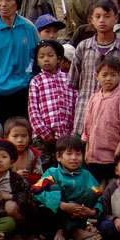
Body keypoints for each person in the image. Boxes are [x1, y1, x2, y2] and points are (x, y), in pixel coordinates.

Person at [69, 0, 120, 137]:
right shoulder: (83, 47)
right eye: (97, 16)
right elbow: (73, 83)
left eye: (107, 16)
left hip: (113, 120)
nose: (102, 20)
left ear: (116, 18)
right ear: (91, 20)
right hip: (84, 117)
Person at [32, 135, 103, 240]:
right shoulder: (52, 173)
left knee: (91, 193)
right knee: (55, 188)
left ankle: (70, 230)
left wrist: (92, 212)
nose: (74, 158)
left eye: (78, 154)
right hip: (53, 221)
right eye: (69, 154)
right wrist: (62, 205)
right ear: (58, 157)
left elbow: (99, 196)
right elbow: (37, 192)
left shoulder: (86, 175)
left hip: (78, 217)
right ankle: (68, 230)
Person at [82, 55, 120, 184]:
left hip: (114, 156)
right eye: (104, 75)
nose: (108, 79)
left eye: (113, 75)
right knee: (96, 190)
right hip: (94, 156)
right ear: (97, 76)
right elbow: (87, 127)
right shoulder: (94, 97)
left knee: (113, 189)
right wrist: (87, 150)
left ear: (119, 75)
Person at [27, 39, 75, 170]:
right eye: (41, 57)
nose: (46, 59)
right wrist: (45, 133)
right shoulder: (36, 81)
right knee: (44, 168)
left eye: (50, 55)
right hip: (43, 137)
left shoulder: (68, 79)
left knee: (65, 166)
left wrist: (72, 132)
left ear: (59, 59)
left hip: (65, 135)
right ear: (37, 61)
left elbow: (75, 106)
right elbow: (33, 111)